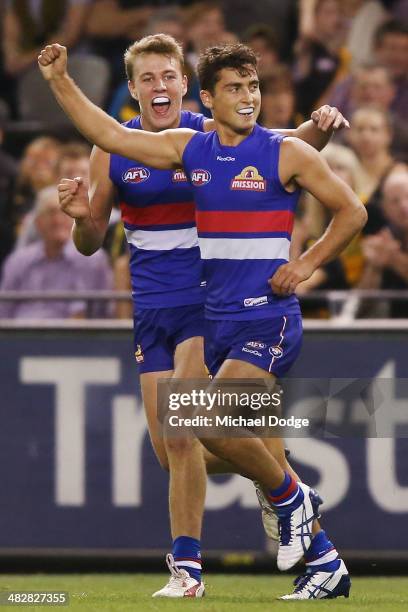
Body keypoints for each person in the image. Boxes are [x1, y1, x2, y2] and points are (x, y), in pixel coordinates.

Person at [38, 39, 361, 600]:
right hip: (153, 307)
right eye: (147, 78)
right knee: (176, 447)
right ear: (132, 88)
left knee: (194, 431)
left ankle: (188, 567)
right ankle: (309, 532)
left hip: (209, 305)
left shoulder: (204, 135)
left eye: (169, 75)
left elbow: (273, 153)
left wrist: (321, 131)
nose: (160, 86)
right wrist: (79, 214)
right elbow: (92, 234)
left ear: (188, 87)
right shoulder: (147, 147)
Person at [0, 185, 112, 319]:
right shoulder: (18, 261)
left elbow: (104, 313)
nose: (58, 220)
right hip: (21, 335)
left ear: (75, 218)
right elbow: (4, 312)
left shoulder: (94, 260)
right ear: (38, 223)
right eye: (51, 213)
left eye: (64, 213)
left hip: (73, 337)